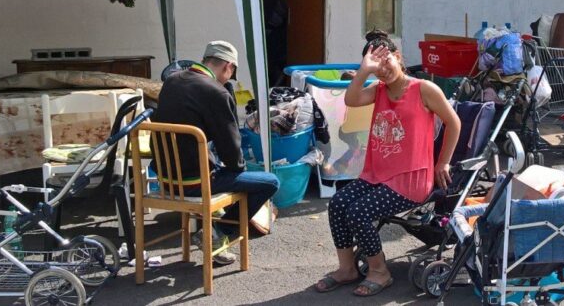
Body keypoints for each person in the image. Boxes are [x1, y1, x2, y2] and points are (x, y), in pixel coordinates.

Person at [314, 30, 461, 297]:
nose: (382, 71)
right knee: (337, 204)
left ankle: (380, 271)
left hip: (410, 180)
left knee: (358, 212)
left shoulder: (424, 89)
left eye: (386, 62)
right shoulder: (377, 90)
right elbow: (350, 99)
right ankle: (347, 268)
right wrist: (364, 70)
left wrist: (444, 162)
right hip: (377, 175)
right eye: (376, 66)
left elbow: (454, 122)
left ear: (397, 56)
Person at [152, 40, 280, 265]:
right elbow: (232, 153)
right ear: (228, 67)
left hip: (166, 179)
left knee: (222, 170)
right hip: (196, 182)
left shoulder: (171, 81)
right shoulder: (216, 92)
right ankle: (218, 232)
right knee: (269, 182)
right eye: (230, 75)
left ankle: (216, 223)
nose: (228, 80)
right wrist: (237, 170)